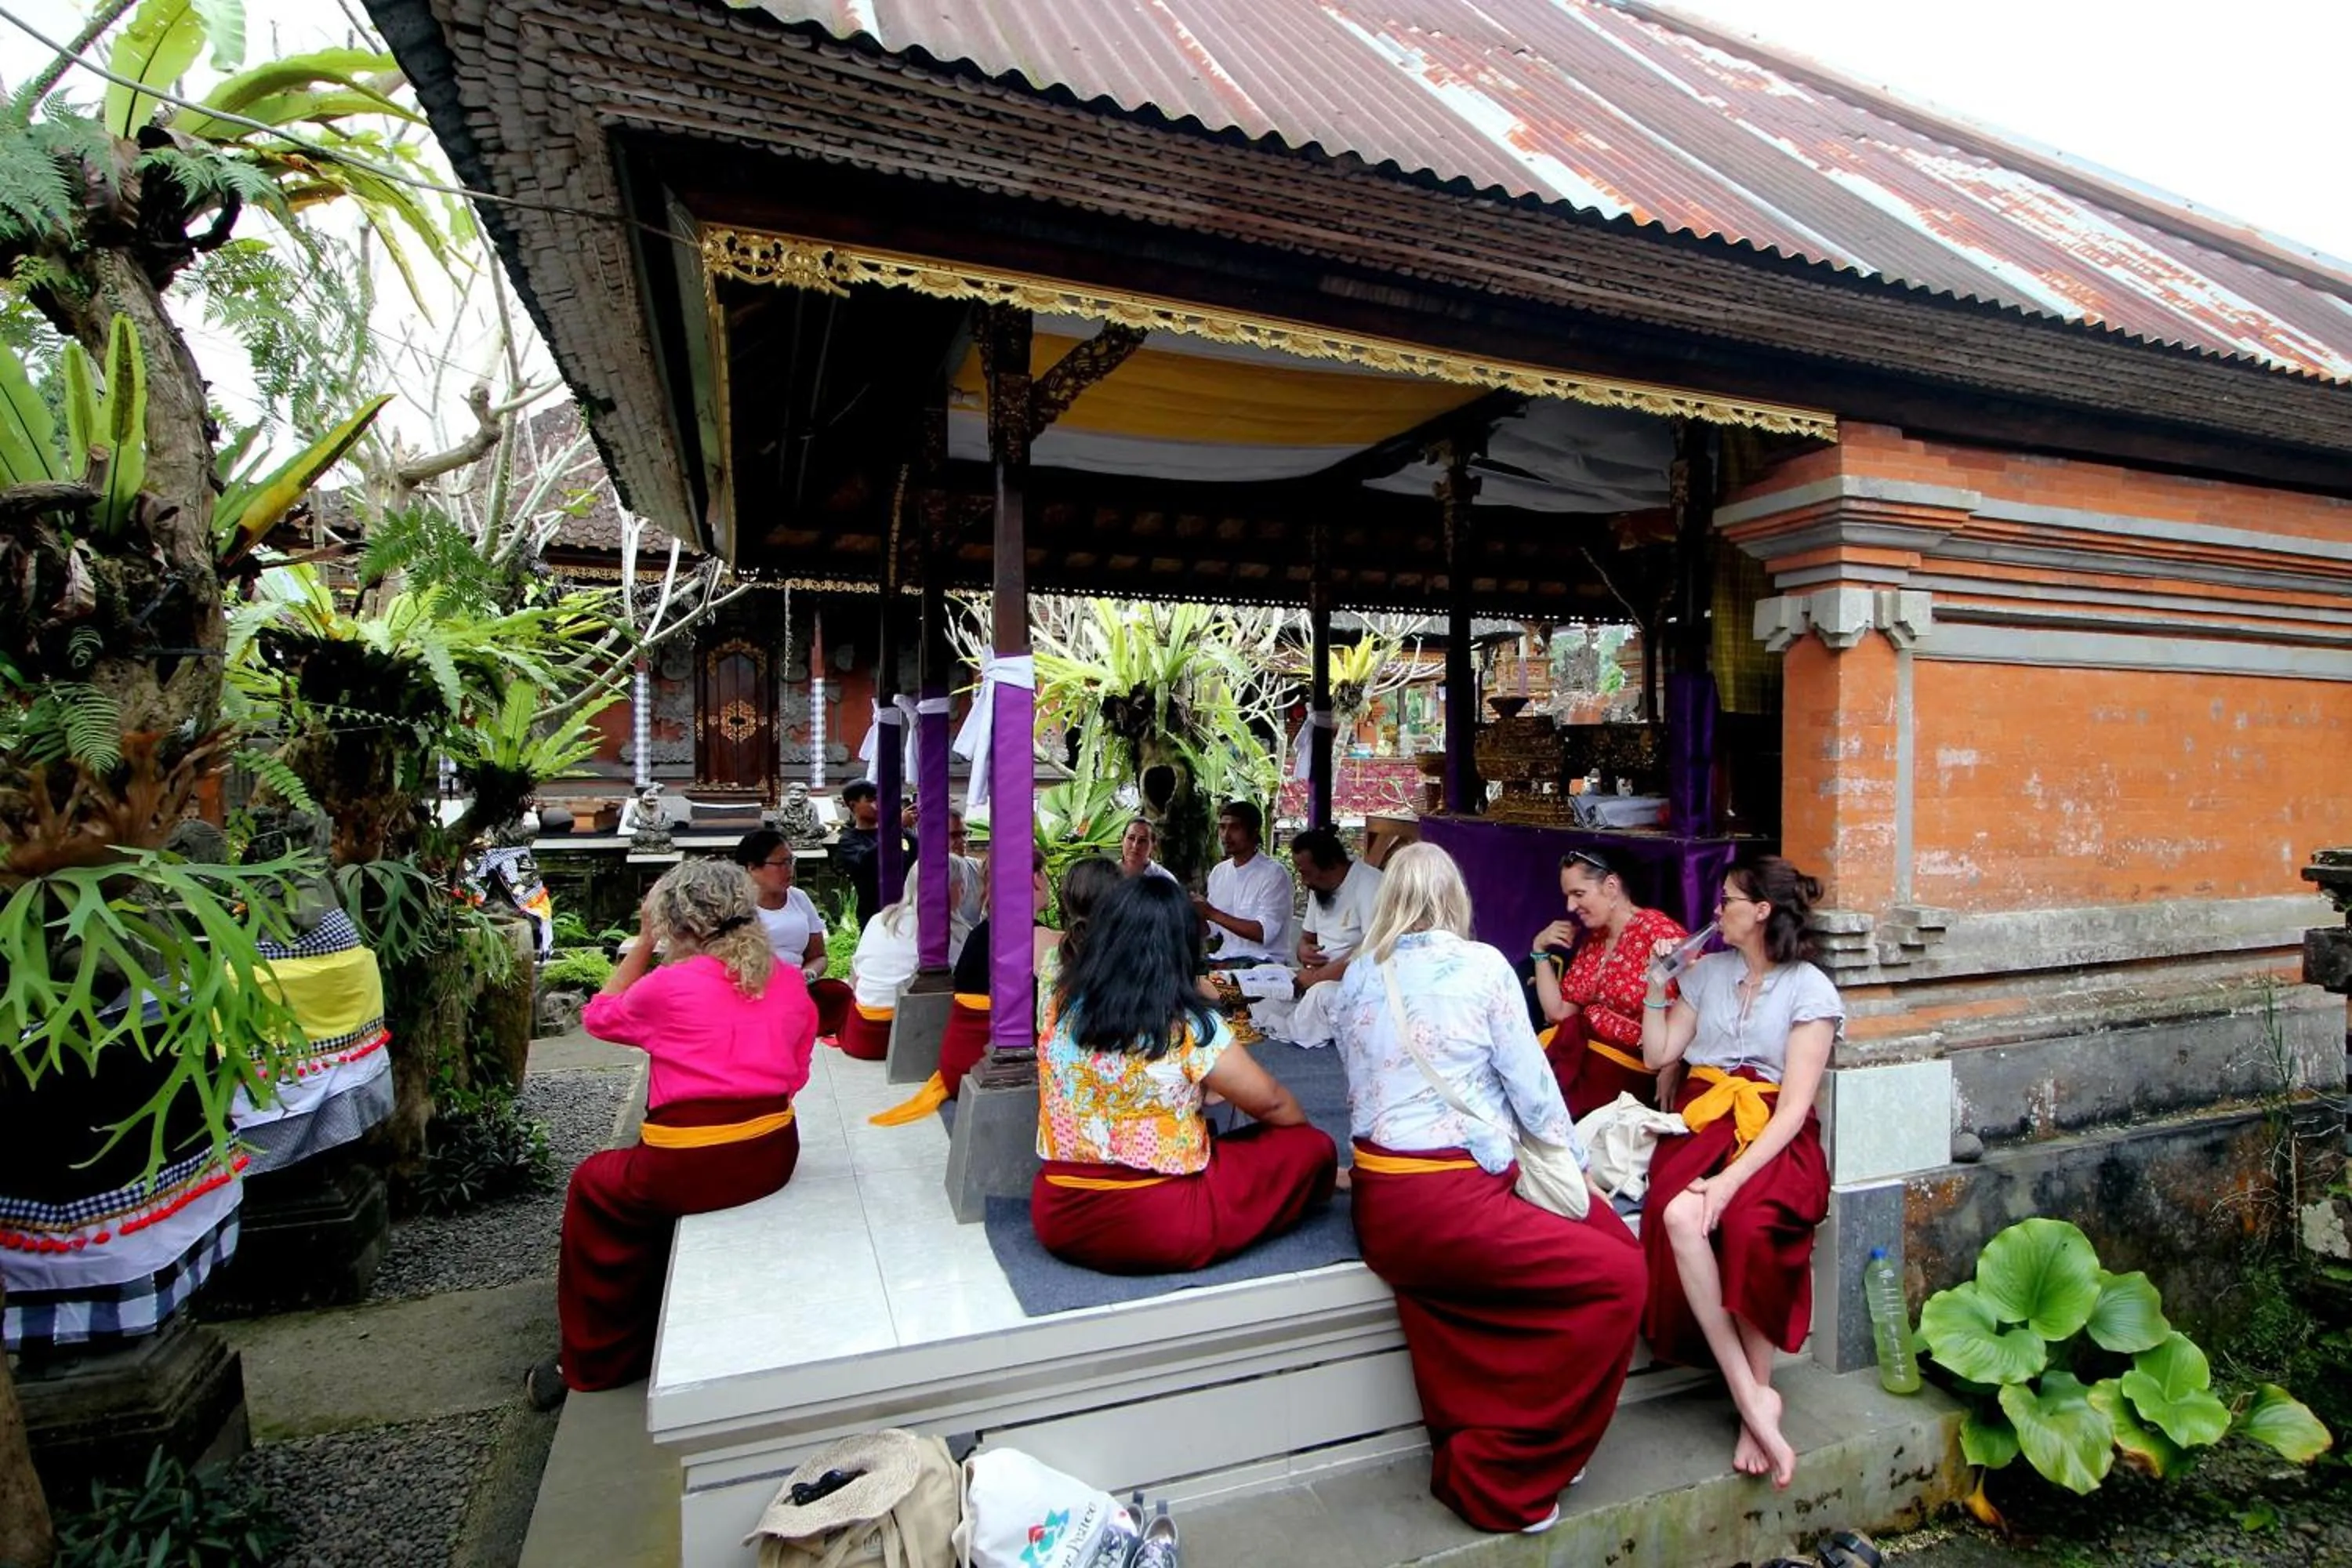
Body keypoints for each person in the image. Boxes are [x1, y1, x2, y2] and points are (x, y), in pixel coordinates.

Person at [1329, 843, 1645, 1534]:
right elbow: (1533, 1095)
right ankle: (1513, 1466)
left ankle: (1503, 1431)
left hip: (1383, 1205)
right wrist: (1573, 1167)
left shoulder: (1354, 976)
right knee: (1620, 1273)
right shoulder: (1481, 966)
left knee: (1476, 1297)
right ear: (1454, 898)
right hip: (1454, 1199)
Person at [529, 858, 815, 1406]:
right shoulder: (786, 981)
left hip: (684, 1167)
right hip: (773, 1154)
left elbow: (600, 1016)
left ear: (676, 924)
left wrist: (642, 942)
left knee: (594, 1184)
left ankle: (592, 1357)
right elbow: (796, 1075)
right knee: (642, 1181)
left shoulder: (669, 985)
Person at [1638, 857, 1838, 1490]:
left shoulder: (1810, 989)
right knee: (1674, 1213)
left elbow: (1795, 1107)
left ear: (1761, 912)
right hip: (1707, 1118)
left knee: (1752, 1223)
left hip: (1777, 1131)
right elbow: (1658, 1054)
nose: (1716, 910)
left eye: (1727, 901)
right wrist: (1654, 984)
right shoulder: (1711, 974)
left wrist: (1728, 1183)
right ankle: (1751, 1398)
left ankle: (1759, 1395)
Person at [1032, 875, 1337, 1272]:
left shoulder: (1062, 1006)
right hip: (1163, 1223)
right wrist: (1298, 1138)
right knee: (1312, 1148)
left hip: (1059, 1216)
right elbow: (1272, 1102)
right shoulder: (1189, 1027)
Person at [1530, 849, 1688, 1117]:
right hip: (1580, 1061)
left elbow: (1702, 1001)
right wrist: (1540, 950)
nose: (1570, 907)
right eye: (1568, 896)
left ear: (1611, 886)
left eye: (1578, 894)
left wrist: (1676, 1062)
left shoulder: (1659, 932)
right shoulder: (1595, 938)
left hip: (1625, 1074)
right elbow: (1558, 1012)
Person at [942, 847, 1055, 1098]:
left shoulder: (980, 933)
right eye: (1043, 873)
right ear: (1034, 878)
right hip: (987, 1070)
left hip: (956, 1064)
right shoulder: (1037, 939)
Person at [841, 859, 981, 1060]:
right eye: (961, 885)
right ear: (950, 888)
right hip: (911, 1036)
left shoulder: (880, 919)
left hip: (862, 1034)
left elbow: (855, 979)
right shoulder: (951, 932)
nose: (964, 891)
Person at [735, 829, 852, 1039]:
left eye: (791, 861)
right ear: (752, 867)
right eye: (780, 864)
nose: (789, 870)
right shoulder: (735, 907)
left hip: (796, 990)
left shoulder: (799, 898)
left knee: (839, 995)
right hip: (751, 992)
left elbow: (818, 956)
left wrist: (807, 974)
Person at [1283, 827, 1383, 1048]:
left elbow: (1370, 950)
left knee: (1320, 993)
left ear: (1329, 865)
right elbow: (1306, 937)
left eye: (1305, 872)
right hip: (1316, 976)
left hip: (1357, 982)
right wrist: (1303, 950)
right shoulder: (1318, 889)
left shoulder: (1369, 884)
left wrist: (1318, 977)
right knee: (1265, 978)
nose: (1303, 880)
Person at [1192, 800, 1292, 966]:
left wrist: (1210, 912)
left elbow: (1263, 933)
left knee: (1212, 985)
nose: (1226, 835)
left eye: (1235, 828)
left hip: (1263, 963)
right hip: (1224, 958)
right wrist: (1193, 914)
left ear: (1254, 832)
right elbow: (1211, 930)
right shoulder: (1219, 872)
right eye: (1222, 827)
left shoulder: (1274, 874)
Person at [830, 779, 913, 927]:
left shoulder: (902, 833)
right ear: (853, 805)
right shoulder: (849, 840)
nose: (878, 804)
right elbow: (866, 862)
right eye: (871, 800)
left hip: (908, 913)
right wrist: (894, 829)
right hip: (874, 917)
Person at [1118, 817, 1180, 884]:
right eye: (1131, 838)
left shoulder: (1165, 881)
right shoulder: (1108, 875)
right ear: (1122, 840)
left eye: (1143, 840)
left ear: (1153, 845)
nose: (1135, 845)